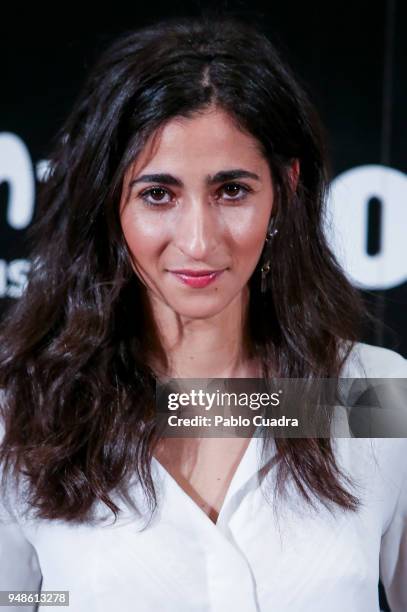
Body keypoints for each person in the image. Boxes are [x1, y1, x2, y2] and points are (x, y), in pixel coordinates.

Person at [0, 12, 406, 612]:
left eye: (231, 191)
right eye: (158, 194)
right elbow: (20, 598)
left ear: (285, 191)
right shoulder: (29, 407)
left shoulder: (371, 396)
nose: (197, 240)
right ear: (111, 203)